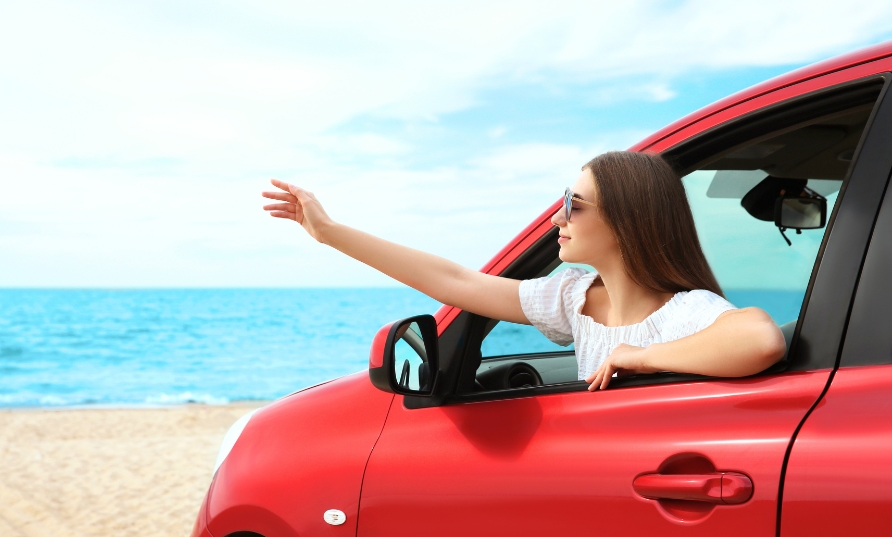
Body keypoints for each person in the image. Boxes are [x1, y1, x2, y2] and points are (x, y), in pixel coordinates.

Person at [262, 151, 786, 390]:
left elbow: (759, 339)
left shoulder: (683, 313)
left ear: (627, 224)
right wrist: (330, 233)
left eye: (574, 204)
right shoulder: (575, 299)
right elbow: (458, 283)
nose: (558, 216)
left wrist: (643, 357)